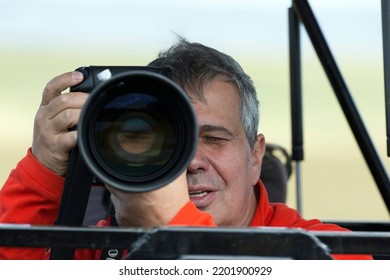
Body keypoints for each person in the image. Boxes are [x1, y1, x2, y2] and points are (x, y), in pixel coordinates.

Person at [0, 38, 371, 260]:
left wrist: (173, 229)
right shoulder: (94, 248)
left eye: (213, 138)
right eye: (169, 141)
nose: (190, 161)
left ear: (255, 156)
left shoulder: (322, 250)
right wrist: (42, 173)